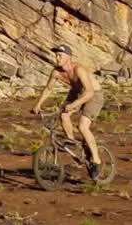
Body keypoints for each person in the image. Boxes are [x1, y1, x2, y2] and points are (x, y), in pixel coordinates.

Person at [31, 43, 105, 180]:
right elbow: (48, 89)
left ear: (68, 57)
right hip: (76, 92)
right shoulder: (56, 72)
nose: (57, 57)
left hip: (93, 94)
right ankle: (71, 142)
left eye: (60, 55)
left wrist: (74, 105)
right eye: (56, 55)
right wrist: (38, 105)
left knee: (82, 126)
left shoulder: (78, 70)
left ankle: (96, 161)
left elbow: (89, 92)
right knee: (63, 115)